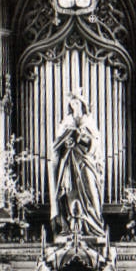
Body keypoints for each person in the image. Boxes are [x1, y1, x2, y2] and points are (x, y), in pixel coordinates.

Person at [52, 89, 105, 239]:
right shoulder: (66, 122)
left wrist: (83, 138)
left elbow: (96, 144)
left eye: (77, 103)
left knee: (90, 190)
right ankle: (71, 226)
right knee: (70, 192)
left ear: (82, 104)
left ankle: (93, 225)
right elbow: (56, 145)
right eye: (72, 103)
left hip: (85, 161)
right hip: (69, 160)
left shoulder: (88, 121)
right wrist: (66, 142)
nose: (75, 105)